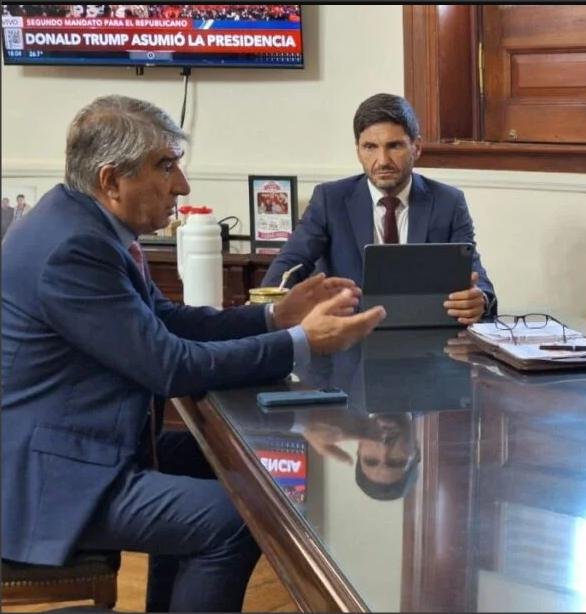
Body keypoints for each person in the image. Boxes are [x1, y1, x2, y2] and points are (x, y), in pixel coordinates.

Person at [0, 95, 387, 612]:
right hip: (54, 479)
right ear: (112, 180)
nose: (181, 186)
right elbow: (171, 366)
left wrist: (276, 316)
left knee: (241, 467)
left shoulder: (80, 222)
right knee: (236, 520)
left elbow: (168, 321)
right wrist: (303, 343)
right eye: (166, 166)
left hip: (84, 442)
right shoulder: (75, 249)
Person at [262, 93, 497, 324]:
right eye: (370, 147)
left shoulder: (448, 201)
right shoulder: (330, 200)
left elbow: (475, 274)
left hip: (426, 342)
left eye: (394, 146)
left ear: (416, 147)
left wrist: (481, 300)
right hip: (346, 339)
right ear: (358, 150)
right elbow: (288, 266)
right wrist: (274, 314)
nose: (382, 160)